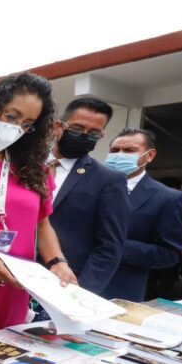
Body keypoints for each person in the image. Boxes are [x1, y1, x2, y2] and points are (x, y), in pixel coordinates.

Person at [0, 73, 76, 330]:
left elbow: (42, 224)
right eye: (11, 116)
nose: (16, 128)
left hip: (14, 285)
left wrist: (58, 263)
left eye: (28, 123)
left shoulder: (35, 170)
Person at [47, 98, 130, 295]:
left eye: (93, 133)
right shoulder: (24, 166)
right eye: (77, 128)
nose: (84, 136)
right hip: (9, 273)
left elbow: (109, 247)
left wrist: (81, 294)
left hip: (62, 285)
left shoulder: (108, 180)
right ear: (58, 126)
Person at [101, 129, 182, 301]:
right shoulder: (91, 186)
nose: (120, 155)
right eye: (115, 150)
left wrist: (114, 246)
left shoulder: (167, 198)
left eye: (129, 151)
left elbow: (169, 254)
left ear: (150, 155)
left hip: (120, 292)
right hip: (69, 285)